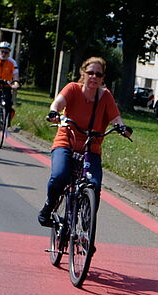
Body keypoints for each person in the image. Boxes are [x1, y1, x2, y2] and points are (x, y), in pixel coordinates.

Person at [37, 57, 131, 227]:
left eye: (98, 74)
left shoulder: (105, 96)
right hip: (67, 141)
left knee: (93, 186)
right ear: (83, 73)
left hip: (91, 148)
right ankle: (48, 206)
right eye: (90, 73)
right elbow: (58, 103)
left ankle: (86, 231)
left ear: (103, 78)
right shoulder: (73, 89)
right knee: (60, 176)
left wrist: (122, 127)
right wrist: (53, 112)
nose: (94, 77)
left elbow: (115, 117)